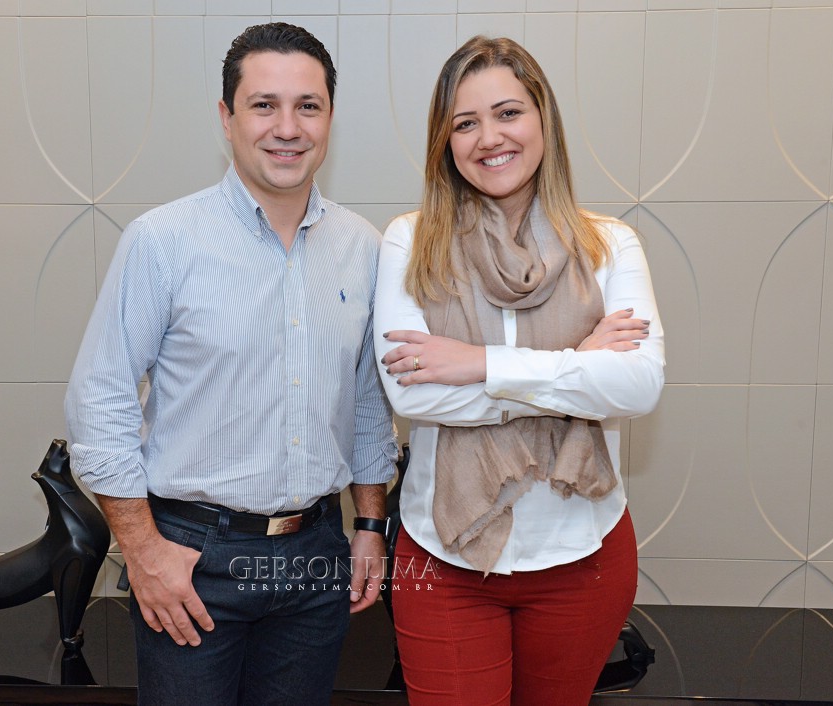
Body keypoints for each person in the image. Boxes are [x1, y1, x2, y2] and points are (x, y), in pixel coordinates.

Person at [64, 22, 397, 706]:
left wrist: (368, 526)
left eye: (307, 106)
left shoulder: (363, 247)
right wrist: (144, 552)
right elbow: (99, 401)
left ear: (330, 117)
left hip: (315, 554)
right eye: (263, 105)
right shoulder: (162, 241)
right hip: (192, 558)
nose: (287, 128)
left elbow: (367, 400)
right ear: (226, 117)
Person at [374, 36, 665, 706]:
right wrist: (578, 369)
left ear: (542, 120)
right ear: (444, 142)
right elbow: (411, 396)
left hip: (584, 557)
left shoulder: (609, 245)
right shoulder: (409, 242)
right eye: (465, 123)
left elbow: (637, 386)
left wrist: (477, 364)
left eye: (507, 113)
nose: (489, 138)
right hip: (444, 558)